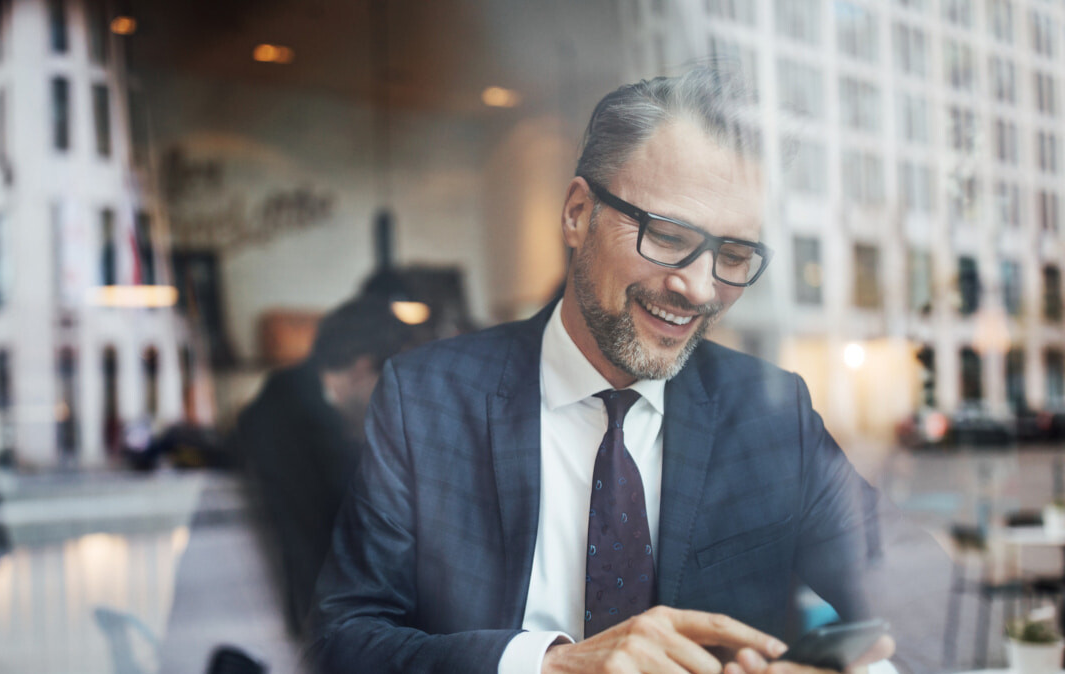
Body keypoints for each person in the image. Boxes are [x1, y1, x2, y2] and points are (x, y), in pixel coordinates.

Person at [310, 67, 943, 674]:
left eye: (734, 254)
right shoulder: (425, 399)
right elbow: (346, 639)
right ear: (577, 214)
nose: (698, 289)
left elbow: (913, 591)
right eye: (667, 235)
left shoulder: (772, 412)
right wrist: (549, 667)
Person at [230, 294, 413, 637]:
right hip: (301, 622)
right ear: (362, 368)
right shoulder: (304, 427)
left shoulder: (286, 399)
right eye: (391, 384)